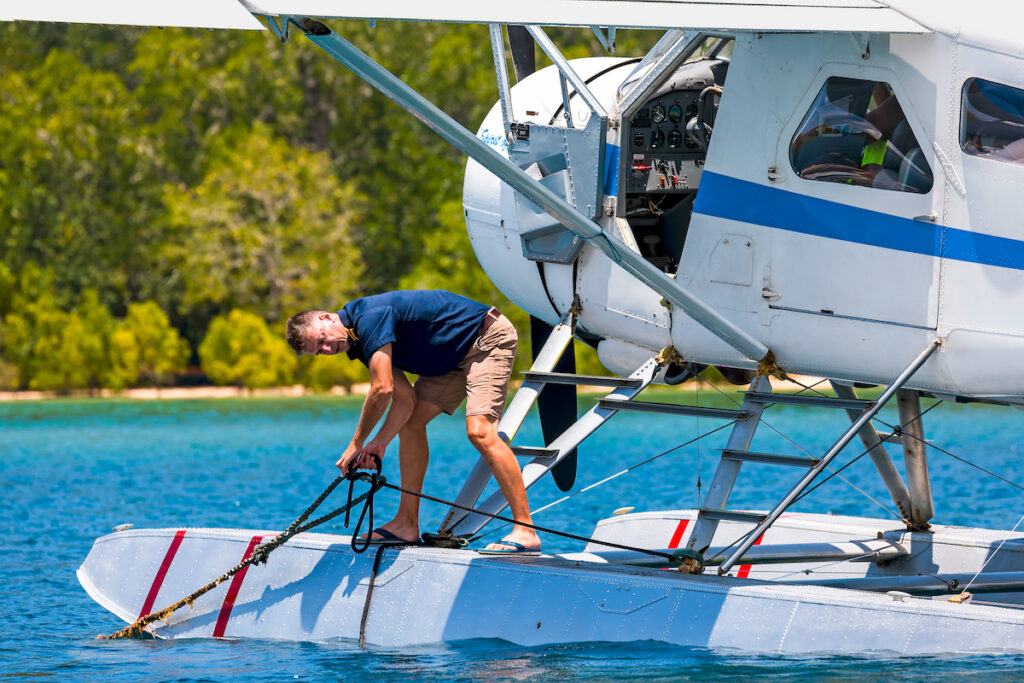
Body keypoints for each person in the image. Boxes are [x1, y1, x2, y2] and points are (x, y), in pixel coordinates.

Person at [285, 290, 541, 555]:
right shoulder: (358, 342)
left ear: (326, 317)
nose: (328, 348)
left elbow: (382, 389)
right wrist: (379, 443)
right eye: (320, 351)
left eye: (323, 339)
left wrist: (355, 445)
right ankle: (407, 525)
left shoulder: (368, 317)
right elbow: (404, 400)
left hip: (485, 339)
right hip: (449, 359)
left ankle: (526, 530)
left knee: (480, 432)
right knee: (410, 424)